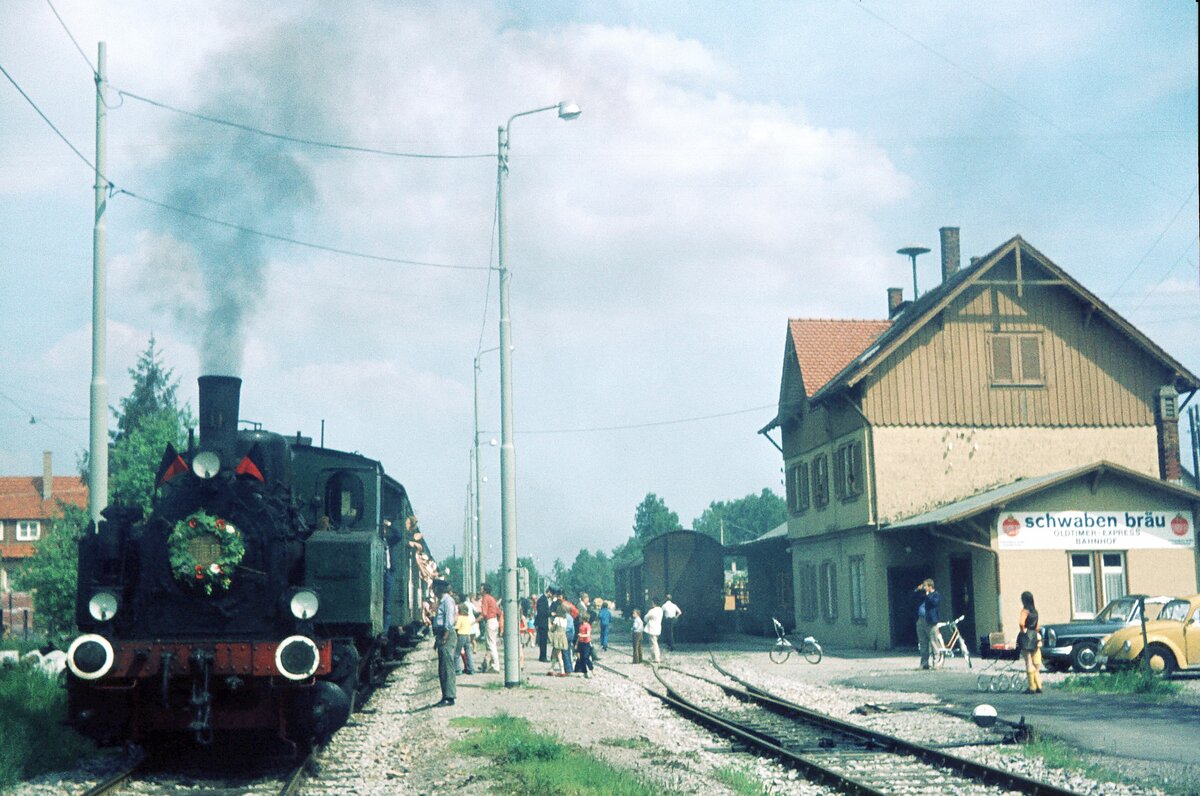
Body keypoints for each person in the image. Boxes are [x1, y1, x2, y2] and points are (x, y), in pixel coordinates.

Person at [431, 579, 458, 706]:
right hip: (442, 635)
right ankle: (445, 696)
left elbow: (449, 621)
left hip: (446, 635)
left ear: (439, 589)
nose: (433, 590)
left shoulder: (447, 601)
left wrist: (444, 637)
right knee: (443, 667)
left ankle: (449, 697)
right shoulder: (442, 601)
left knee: (447, 667)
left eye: (434, 588)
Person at [1019, 591, 1043, 694]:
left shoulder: (1025, 611)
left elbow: (1021, 623)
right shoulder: (1035, 612)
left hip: (1027, 636)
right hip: (1035, 635)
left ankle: (1032, 687)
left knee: (1028, 661)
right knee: (1036, 662)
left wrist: (1023, 630)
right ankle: (1039, 685)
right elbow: (1037, 626)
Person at [915, 578, 941, 670]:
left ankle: (936, 663)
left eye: (925, 586)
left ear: (930, 586)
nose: (924, 587)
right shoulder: (922, 595)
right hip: (921, 620)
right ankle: (924, 663)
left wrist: (928, 594)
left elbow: (934, 603)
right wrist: (918, 590)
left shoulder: (935, 595)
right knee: (923, 643)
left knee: (934, 642)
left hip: (930, 621)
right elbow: (912, 596)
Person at [479, 583, 501, 673]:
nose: (480, 590)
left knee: (491, 645)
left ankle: (495, 666)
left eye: (481, 589)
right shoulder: (492, 598)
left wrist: (475, 620)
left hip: (490, 621)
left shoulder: (485, 598)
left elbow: (484, 613)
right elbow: (499, 612)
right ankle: (489, 664)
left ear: (484, 590)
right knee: (493, 644)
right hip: (495, 621)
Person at [454, 601, 476, 675]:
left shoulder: (460, 618)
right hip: (468, 636)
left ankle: (457, 670)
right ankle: (471, 669)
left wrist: (453, 628)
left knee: (456, 653)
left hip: (461, 635)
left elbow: (457, 627)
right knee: (468, 653)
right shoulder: (467, 618)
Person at [549, 605, 569, 676]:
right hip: (563, 636)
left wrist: (550, 625)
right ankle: (551, 669)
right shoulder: (565, 620)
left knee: (558, 653)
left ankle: (562, 670)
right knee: (555, 653)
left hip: (557, 636)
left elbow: (552, 629)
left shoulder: (557, 619)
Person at [535, 587, 552, 663]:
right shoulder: (542, 600)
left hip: (543, 623)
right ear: (548, 592)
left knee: (543, 640)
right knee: (543, 641)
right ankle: (543, 656)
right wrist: (550, 614)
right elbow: (542, 612)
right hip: (542, 623)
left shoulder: (543, 599)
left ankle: (543, 655)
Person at [643, 599, 664, 663]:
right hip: (658, 628)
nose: (652, 604)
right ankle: (653, 657)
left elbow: (645, 618)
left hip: (651, 629)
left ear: (654, 603)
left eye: (652, 603)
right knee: (654, 643)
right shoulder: (660, 610)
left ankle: (656, 658)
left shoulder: (652, 611)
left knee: (653, 644)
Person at [575, 611, 594, 678]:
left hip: (586, 643)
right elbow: (579, 636)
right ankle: (584, 672)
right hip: (581, 643)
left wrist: (582, 635)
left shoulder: (587, 626)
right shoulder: (581, 626)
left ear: (583, 618)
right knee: (581, 658)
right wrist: (577, 644)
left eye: (580, 618)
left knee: (586, 657)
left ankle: (591, 668)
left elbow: (588, 634)